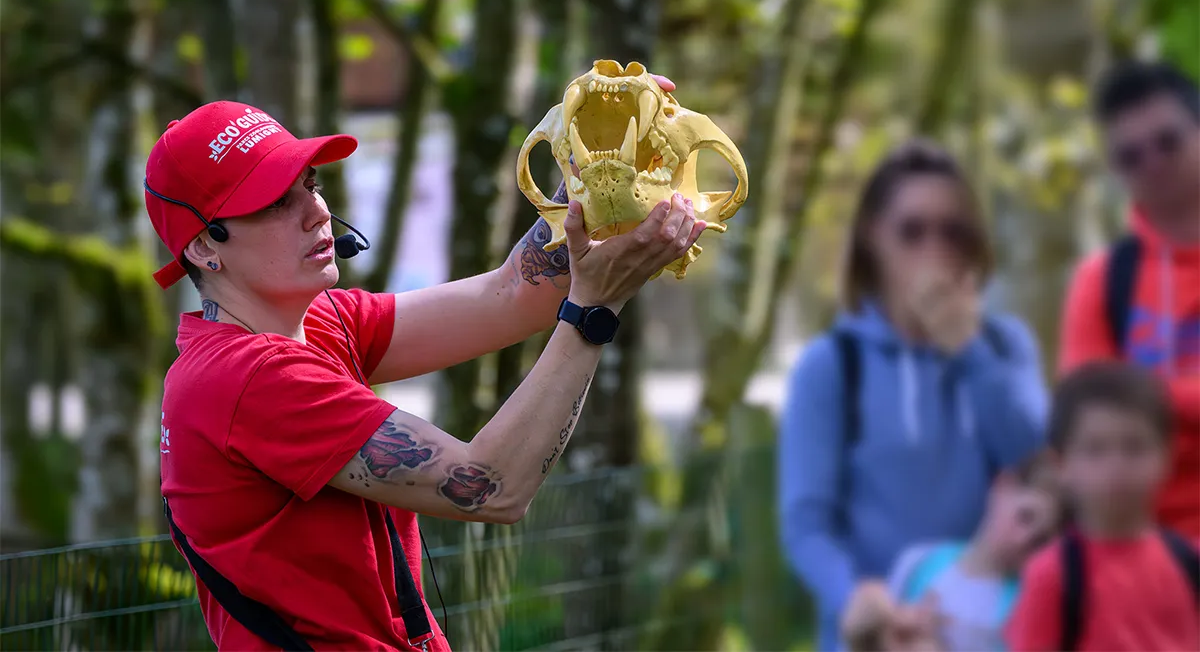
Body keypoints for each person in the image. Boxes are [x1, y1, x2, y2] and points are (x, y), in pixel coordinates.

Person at [148, 80, 704, 650]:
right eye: (275, 202)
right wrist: (594, 311)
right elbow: (490, 486)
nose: (316, 212)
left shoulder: (321, 322)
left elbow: (516, 291)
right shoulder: (245, 378)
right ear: (203, 247)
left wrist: (596, 167)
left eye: (309, 185)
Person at [777, 139, 1049, 652]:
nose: (934, 250)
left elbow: (1039, 467)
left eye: (953, 231)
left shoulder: (1004, 347)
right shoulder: (833, 364)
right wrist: (856, 598)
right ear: (871, 239)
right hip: (881, 636)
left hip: (992, 634)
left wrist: (966, 349)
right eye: (912, 231)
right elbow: (807, 525)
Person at [1058, 60, 1200, 540]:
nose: (1153, 163)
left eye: (1168, 142)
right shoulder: (1100, 280)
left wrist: (1147, 395)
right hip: (1141, 552)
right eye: (1130, 156)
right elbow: (1087, 424)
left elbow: (1119, 408)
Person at [1006, 361, 1200, 652]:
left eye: (1134, 447)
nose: (1116, 466)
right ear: (1061, 465)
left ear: (1166, 456)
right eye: (1095, 450)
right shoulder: (1052, 576)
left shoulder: (1188, 561)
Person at [884, 452, 1062, 651]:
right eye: (1025, 517)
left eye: (1038, 542)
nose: (1021, 540)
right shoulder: (918, 563)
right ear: (1003, 486)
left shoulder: (1025, 607)